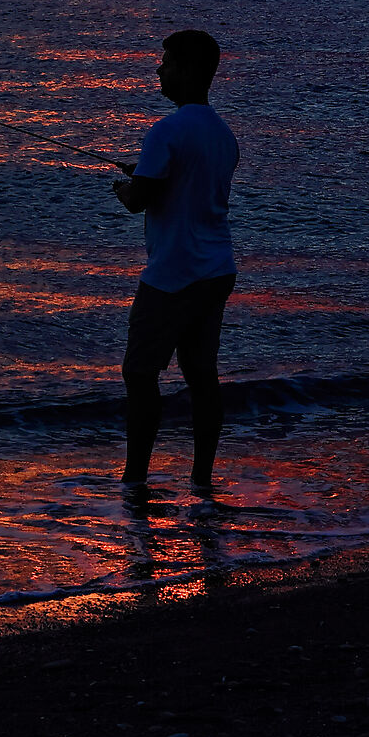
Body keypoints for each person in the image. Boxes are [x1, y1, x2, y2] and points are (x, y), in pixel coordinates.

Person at [111, 28, 239, 490]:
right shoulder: (222, 133)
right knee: (202, 374)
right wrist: (145, 174)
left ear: (186, 70)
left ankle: (134, 481)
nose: (158, 70)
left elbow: (138, 199)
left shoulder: (166, 129)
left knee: (139, 373)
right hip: (216, 268)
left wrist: (126, 186)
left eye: (165, 62)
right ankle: (201, 480)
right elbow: (187, 185)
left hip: (172, 274)